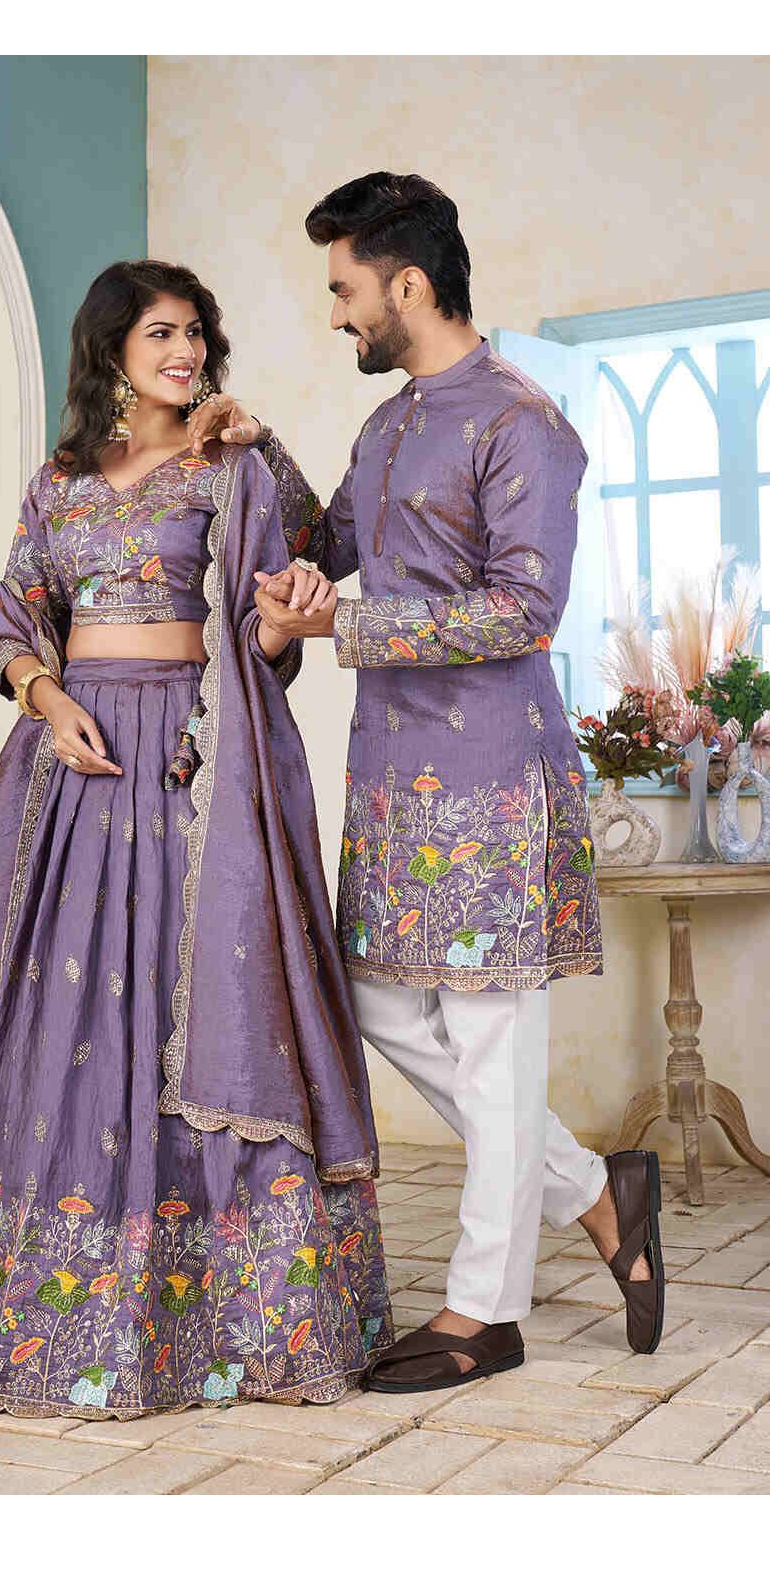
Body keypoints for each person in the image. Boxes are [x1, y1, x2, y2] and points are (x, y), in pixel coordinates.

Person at [0, 259, 394, 1422]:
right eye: (160, 332)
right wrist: (42, 696)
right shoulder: (60, 484)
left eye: (196, 333)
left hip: (196, 763)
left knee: (205, 1007)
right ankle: (60, 1315)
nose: (183, 351)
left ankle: (236, 1319)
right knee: (78, 1020)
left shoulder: (228, 466)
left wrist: (259, 444)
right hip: (79, 765)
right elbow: (11, 614)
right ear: (111, 347)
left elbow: (298, 576)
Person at [187, 173, 664, 1394]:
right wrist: (259, 452)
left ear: (407, 283)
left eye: (345, 289)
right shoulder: (392, 423)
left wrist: (339, 627)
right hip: (396, 782)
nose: (336, 313)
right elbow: (329, 539)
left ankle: (483, 1310)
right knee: (372, 1003)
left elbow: (523, 609)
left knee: (498, 1044)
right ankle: (595, 1190)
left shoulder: (522, 422)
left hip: (496, 781)